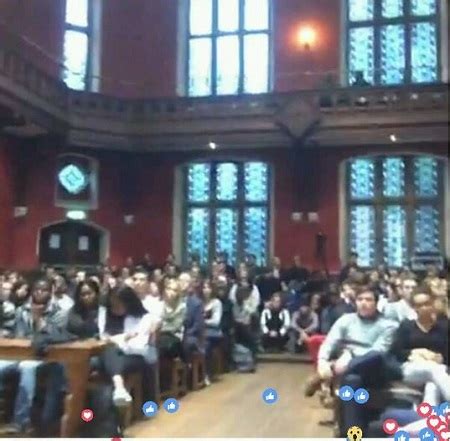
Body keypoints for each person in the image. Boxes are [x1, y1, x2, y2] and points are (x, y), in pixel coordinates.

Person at [305, 285, 398, 435]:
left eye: (368, 300)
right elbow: (329, 342)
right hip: (352, 371)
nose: (363, 303)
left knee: (375, 356)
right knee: (352, 381)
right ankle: (352, 434)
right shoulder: (346, 320)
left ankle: (329, 373)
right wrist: (322, 361)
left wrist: (350, 355)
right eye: (360, 299)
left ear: (376, 303)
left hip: (376, 370)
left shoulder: (388, 325)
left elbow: (379, 350)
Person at [0, 279, 68, 435]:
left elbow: (56, 337)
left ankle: (20, 422)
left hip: (44, 357)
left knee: (27, 368)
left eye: (44, 290)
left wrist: (39, 319)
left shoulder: (60, 312)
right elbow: (16, 334)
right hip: (19, 354)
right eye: (37, 289)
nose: (39, 293)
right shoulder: (22, 310)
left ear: (51, 292)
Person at [98, 285, 159, 404]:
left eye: (118, 304)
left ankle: (119, 388)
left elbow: (138, 346)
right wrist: (123, 338)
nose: (114, 307)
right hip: (110, 355)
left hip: (136, 357)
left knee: (111, 352)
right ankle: (119, 389)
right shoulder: (106, 314)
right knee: (104, 355)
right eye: (112, 304)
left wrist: (116, 340)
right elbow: (102, 337)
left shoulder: (144, 318)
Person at [390, 286, 449, 402]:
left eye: (427, 303)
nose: (424, 308)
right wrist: (413, 353)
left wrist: (442, 357)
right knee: (434, 370)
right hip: (411, 370)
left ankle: (428, 418)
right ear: (414, 308)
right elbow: (395, 352)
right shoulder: (406, 326)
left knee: (432, 387)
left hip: (439, 369)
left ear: (432, 304)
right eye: (419, 305)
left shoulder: (444, 327)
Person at [201, 279, 223, 385]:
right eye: (204, 287)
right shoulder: (199, 302)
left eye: (208, 287)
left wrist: (202, 321)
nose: (206, 290)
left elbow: (216, 321)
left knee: (206, 345)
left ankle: (207, 374)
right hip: (201, 332)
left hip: (214, 333)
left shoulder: (216, 303)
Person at [158, 279, 186, 359]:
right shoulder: (160, 305)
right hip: (158, 337)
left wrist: (159, 328)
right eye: (168, 288)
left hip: (174, 338)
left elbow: (175, 327)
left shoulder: (182, 307)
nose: (170, 292)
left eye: (174, 290)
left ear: (178, 293)